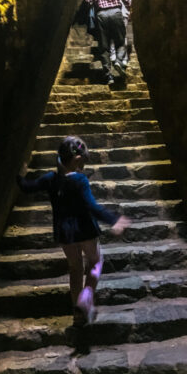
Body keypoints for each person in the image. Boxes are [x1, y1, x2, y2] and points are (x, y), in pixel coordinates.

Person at [17, 136, 130, 326]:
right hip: (85, 230)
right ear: (77, 159)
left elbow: (28, 187)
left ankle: (76, 312)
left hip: (64, 233)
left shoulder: (50, 179)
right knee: (96, 262)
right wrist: (113, 220)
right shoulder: (79, 180)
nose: (84, 165)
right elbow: (91, 206)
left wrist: (19, 174)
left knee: (75, 268)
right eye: (83, 160)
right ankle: (85, 300)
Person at [84, 0, 131, 85]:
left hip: (101, 15)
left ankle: (108, 76)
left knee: (104, 46)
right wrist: (129, 7)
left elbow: (88, 0)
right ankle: (119, 61)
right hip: (115, 11)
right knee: (120, 41)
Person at [107, 0, 131, 66]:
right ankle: (124, 59)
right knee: (123, 36)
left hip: (113, 12)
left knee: (112, 35)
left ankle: (113, 55)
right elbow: (129, 0)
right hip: (124, 13)